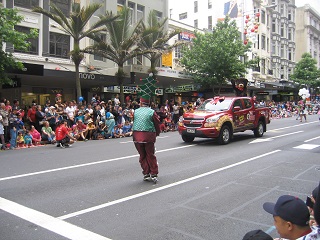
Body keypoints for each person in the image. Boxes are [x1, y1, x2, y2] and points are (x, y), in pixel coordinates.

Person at [132, 98, 160, 182]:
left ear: (140, 103)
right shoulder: (151, 112)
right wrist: (157, 133)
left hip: (137, 135)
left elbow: (134, 121)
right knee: (150, 154)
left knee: (142, 155)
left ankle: (146, 172)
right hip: (148, 135)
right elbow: (156, 123)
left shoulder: (135, 111)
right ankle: (153, 172)